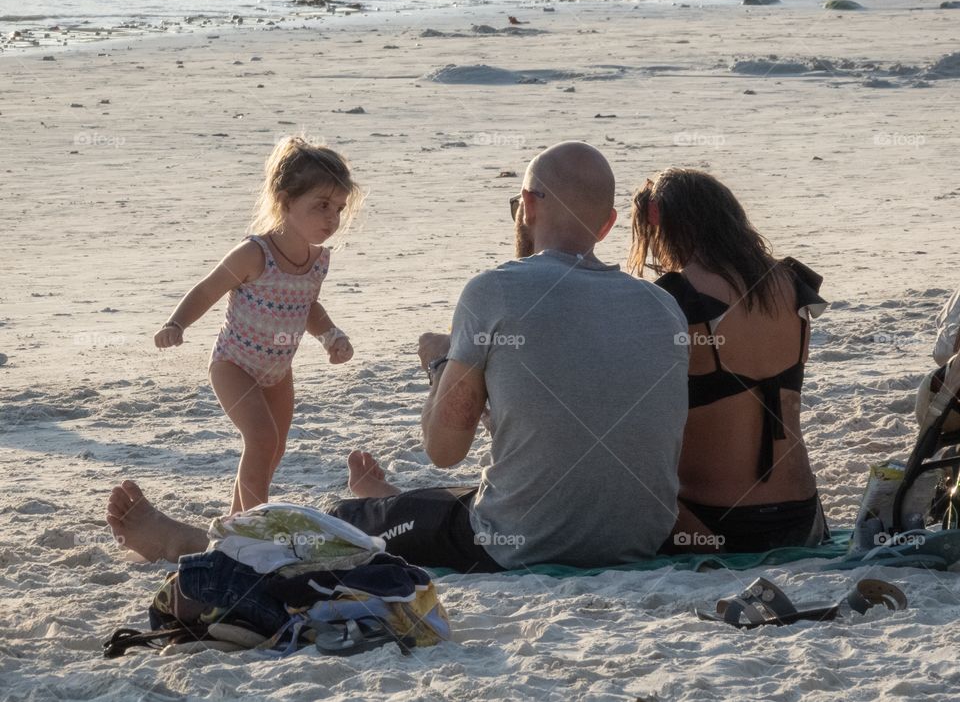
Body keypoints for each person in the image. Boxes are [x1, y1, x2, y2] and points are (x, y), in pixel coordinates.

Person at [110, 141, 690, 573]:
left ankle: (197, 544)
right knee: (462, 497)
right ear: (609, 225)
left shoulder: (494, 291)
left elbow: (443, 451)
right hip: (641, 536)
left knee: (345, 526)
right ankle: (392, 504)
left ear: (529, 206)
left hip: (519, 542)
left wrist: (441, 365)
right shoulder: (661, 308)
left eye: (518, 201)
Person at [153, 137, 361, 514]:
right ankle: (253, 521)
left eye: (339, 208)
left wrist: (332, 335)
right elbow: (207, 289)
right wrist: (176, 323)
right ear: (285, 201)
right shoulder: (255, 252)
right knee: (262, 439)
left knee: (275, 446)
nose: (333, 218)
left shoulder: (318, 260)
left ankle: (239, 517)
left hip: (278, 371)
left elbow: (308, 305)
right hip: (234, 365)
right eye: (322, 206)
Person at [629, 169, 829, 553]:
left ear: (662, 225)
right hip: (803, 517)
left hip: (715, 523)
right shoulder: (793, 284)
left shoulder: (676, 299)